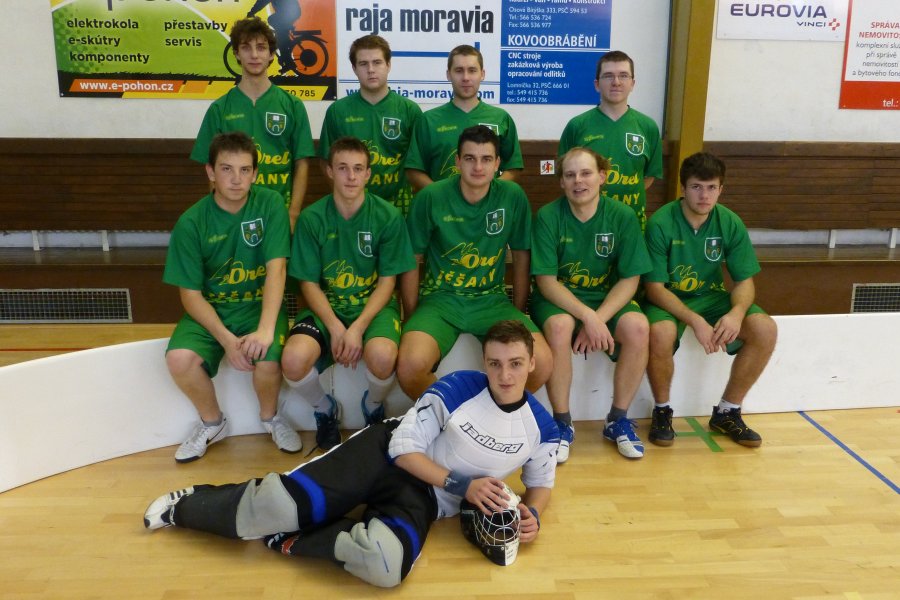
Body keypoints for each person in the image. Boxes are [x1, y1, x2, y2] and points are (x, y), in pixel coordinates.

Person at [144, 320, 559, 588]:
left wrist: (534, 515)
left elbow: (540, 483)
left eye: (515, 363)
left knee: (384, 566)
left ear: (531, 363)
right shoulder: (457, 388)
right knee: (275, 505)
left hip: (426, 497)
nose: (504, 375)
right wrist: (462, 485)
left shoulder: (542, 428)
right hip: (383, 453)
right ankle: (187, 505)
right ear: (484, 362)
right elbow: (403, 449)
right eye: (495, 363)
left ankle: (290, 538)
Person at [163, 131, 300, 463]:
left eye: (244, 170)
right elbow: (190, 294)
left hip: (257, 306)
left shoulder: (270, 204)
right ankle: (212, 423)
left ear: (255, 173)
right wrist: (226, 340)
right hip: (213, 310)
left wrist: (265, 329)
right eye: (227, 169)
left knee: (268, 358)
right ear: (210, 172)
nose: (236, 179)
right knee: (178, 359)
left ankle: (271, 418)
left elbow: (277, 270)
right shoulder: (191, 222)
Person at [397, 125, 552, 401]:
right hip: (439, 300)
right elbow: (412, 260)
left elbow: (521, 256)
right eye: (470, 158)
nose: (478, 167)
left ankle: (490, 414)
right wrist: (411, 316)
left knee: (541, 363)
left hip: (492, 301)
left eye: (486, 159)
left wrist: (518, 312)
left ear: (498, 164)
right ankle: (454, 416)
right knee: (410, 367)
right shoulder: (430, 197)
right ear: (457, 161)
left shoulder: (512, 196)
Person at [281, 137, 416, 451]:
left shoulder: (387, 216)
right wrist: (336, 327)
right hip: (326, 308)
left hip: (373, 308)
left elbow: (387, 282)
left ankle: (373, 406)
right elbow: (308, 283)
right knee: (293, 360)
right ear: (329, 171)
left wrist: (356, 329)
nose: (351, 176)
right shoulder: (312, 218)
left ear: (368, 174)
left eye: (358, 169)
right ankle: (324, 409)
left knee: (383, 356)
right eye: (343, 168)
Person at [643, 152, 777, 447]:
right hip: (668, 299)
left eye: (711, 187)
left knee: (765, 328)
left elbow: (744, 281)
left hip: (711, 297)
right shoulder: (661, 222)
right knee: (660, 331)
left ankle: (728, 412)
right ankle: (662, 411)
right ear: (683, 188)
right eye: (696, 187)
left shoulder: (729, 222)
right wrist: (696, 321)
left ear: (721, 189)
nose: (704, 195)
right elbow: (654, 288)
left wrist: (736, 313)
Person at [531, 148, 652, 462]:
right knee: (560, 326)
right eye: (570, 175)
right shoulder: (548, 216)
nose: (578, 181)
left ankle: (617, 420)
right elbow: (546, 281)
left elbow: (630, 278)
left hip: (606, 299)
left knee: (638, 327)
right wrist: (587, 317)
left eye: (585, 173)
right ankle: (562, 423)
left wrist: (598, 318)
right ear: (561, 182)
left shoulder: (622, 216)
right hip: (559, 298)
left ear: (602, 177)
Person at [191, 16, 316, 231]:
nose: (255, 55)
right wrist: (220, 214)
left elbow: (302, 163)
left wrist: (293, 214)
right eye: (246, 47)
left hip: (279, 214)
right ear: (236, 53)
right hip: (234, 216)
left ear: (271, 54)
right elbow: (211, 168)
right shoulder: (219, 109)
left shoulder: (292, 106)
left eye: (261, 47)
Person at [318, 35, 422, 216]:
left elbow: (419, 164)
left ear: (388, 65)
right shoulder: (338, 111)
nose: (371, 70)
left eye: (377, 62)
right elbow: (325, 161)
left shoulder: (409, 110)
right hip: (354, 205)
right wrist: (345, 197)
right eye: (363, 64)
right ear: (354, 69)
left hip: (400, 205)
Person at [558, 50, 662, 230]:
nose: (616, 82)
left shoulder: (648, 127)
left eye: (623, 75)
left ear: (632, 83)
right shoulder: (577, 126)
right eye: (608, 76)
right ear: (597, 84)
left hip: (632, 223)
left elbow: (649, 176)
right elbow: (564, 173)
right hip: (588, 223)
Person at [405, 45, 523, 191]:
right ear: (448, 75)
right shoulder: (428, 120)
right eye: (459, 71)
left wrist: (490, 194)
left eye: (472, 70)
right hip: (443, 204)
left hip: (489, 204)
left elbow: (513, 167)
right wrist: (440, 196)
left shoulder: (501, 118)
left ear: (482, 74)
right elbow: (414, 170)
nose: (466, 78)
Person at [246, 0, 301, 75]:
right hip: (291, 12)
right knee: (280, 35)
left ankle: (288, 60)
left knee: (272, 21)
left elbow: (262, 2)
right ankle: (287, 60)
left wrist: (252, 12)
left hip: (288, 13)